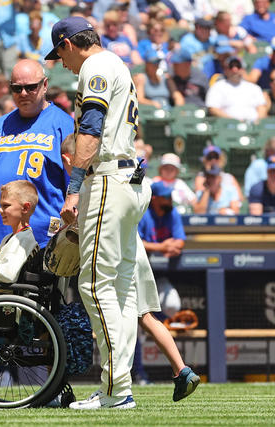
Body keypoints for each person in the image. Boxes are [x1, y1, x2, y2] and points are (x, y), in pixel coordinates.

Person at [47, 16, 149, 409]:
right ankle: (118, 388)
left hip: (107, 177)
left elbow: (90, 127)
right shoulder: (117, 63)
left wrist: (73, 190)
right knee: (120, 290)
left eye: (59, 55)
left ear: (68, 44)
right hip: (129, 179)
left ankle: (114, 390)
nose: (61, 63)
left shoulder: (95, 66)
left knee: (93, 284)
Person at [63, 136, 199, 402]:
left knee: (130, 312)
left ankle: (119, 385)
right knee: (143, 316)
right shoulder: (131, 191)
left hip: (124, 258)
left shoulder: (97, 188)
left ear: (70, 160)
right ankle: (180, 369)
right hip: (132, 256)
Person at [0, 59, 74, 248]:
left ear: (45, 85)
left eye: (31, 87)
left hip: (43, 245)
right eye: (17, 88)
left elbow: (76, 187)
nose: (23, 94)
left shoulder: (64, 125)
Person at [0, 180, 40, 284]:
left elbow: (7, 275)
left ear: (25, 208)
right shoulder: (9, 237)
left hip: (3, 297)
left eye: (6, 206)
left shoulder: (24, 239)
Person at [206, 56, 267, 123]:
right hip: (228, 127)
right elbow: (213, 109)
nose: (235, 70)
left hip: (253, 126)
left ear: (243, 69)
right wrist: (234, 122)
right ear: (225, 70)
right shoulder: (217, 87)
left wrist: (258, 123)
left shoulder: (255, 88)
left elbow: (262, 108)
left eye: (238, 66)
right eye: (231, 66)